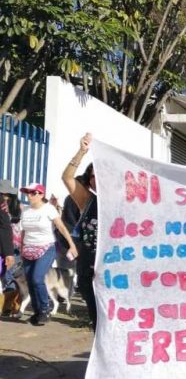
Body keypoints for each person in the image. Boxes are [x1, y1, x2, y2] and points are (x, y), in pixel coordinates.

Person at [18, 183, 77, 325]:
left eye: (33, 193)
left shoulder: (49, 209)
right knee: (30, 281)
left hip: (46, 248)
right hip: (28, 250)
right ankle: (38, 312)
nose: (30, 195)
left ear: (41, 194)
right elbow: (23, 231)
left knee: (37, 278)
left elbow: (61, 227)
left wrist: (72, 245)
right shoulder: (25, 210)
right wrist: (21, 247)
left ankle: (45, 308)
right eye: (28, 193)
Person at [61, 133, 99, 328]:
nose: (97, 179)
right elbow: (67, 177)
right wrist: (81, 152)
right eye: (93, 176)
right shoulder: (87, 200)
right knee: (97, 320)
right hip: (89, 270)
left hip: (115, 274)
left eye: (101, 174)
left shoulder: (125, 201)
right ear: (89, 180)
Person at [0, 180, 22, 317]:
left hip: (13, 247)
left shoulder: (16, 208)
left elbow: (6, 227)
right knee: (8, 277)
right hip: (7, 246)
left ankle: (13, 305)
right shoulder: (4, 205)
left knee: (11, 276)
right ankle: (9, 306)